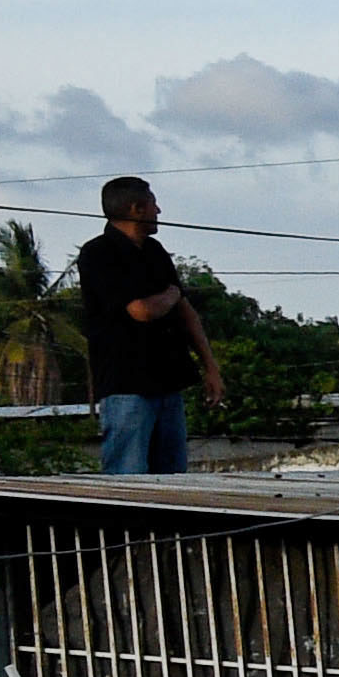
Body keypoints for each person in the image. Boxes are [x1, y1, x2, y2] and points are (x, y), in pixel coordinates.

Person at [78, 178, 228, 478]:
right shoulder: (99, 253)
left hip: (168, 381)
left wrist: (211, 368)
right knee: (128, 476)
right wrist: (172, 294)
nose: (158, 210)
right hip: (126, 387)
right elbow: (142, 311)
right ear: (136, 209)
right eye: (153, 204)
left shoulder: (155, 251)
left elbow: (187, 314)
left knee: (173, 477)